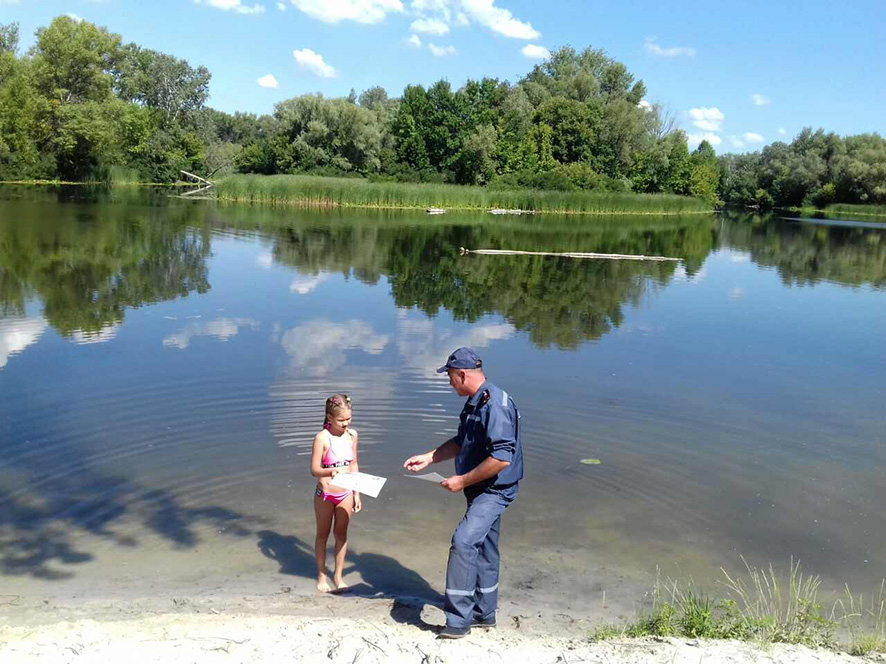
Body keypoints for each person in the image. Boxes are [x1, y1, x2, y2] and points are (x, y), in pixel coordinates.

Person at [403, 347, 523, 639]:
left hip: (494, 489)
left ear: (462, 374)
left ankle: (458, 622)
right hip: (480, 487)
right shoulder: (476, 401)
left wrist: (462, 480)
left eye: (449, 377)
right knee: (485, 547)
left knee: (464, 542)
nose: (448, 383)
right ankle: (484, 613)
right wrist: (430, 457)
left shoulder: (494, 405)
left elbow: (502, 458)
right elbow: (462, 441)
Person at [311, 393, 362, 593]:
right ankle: (321, 575)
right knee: (322, 535)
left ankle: (338, 576)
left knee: (341, 534)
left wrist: (357, 493)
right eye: (341, 420)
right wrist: (331, 471)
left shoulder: (353, 436)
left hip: (346, 493)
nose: (346, 424)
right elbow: (314, 469)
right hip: (324, 494)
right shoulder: (322, 438)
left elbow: (354, 463)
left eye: (349, 419)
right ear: (329, 418)